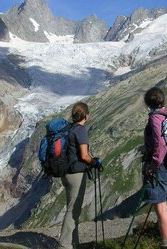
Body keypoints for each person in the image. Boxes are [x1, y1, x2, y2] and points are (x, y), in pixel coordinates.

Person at [58, 102, 102, 249]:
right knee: (73, 210)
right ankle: (64, 245)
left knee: (73, 208)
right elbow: (84, 155)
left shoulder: (69, 128)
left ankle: (73, 243)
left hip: (66, 173)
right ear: (86, 116)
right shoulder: (81, 130)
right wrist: (94, 162)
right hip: (76, 174)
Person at [142, 87, 167, 249]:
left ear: (148, 103)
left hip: (160, 168)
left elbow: (160, 144)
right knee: (163, 207)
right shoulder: (166, 114)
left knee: (161, 207)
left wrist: (153, 164)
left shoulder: (156, 118)